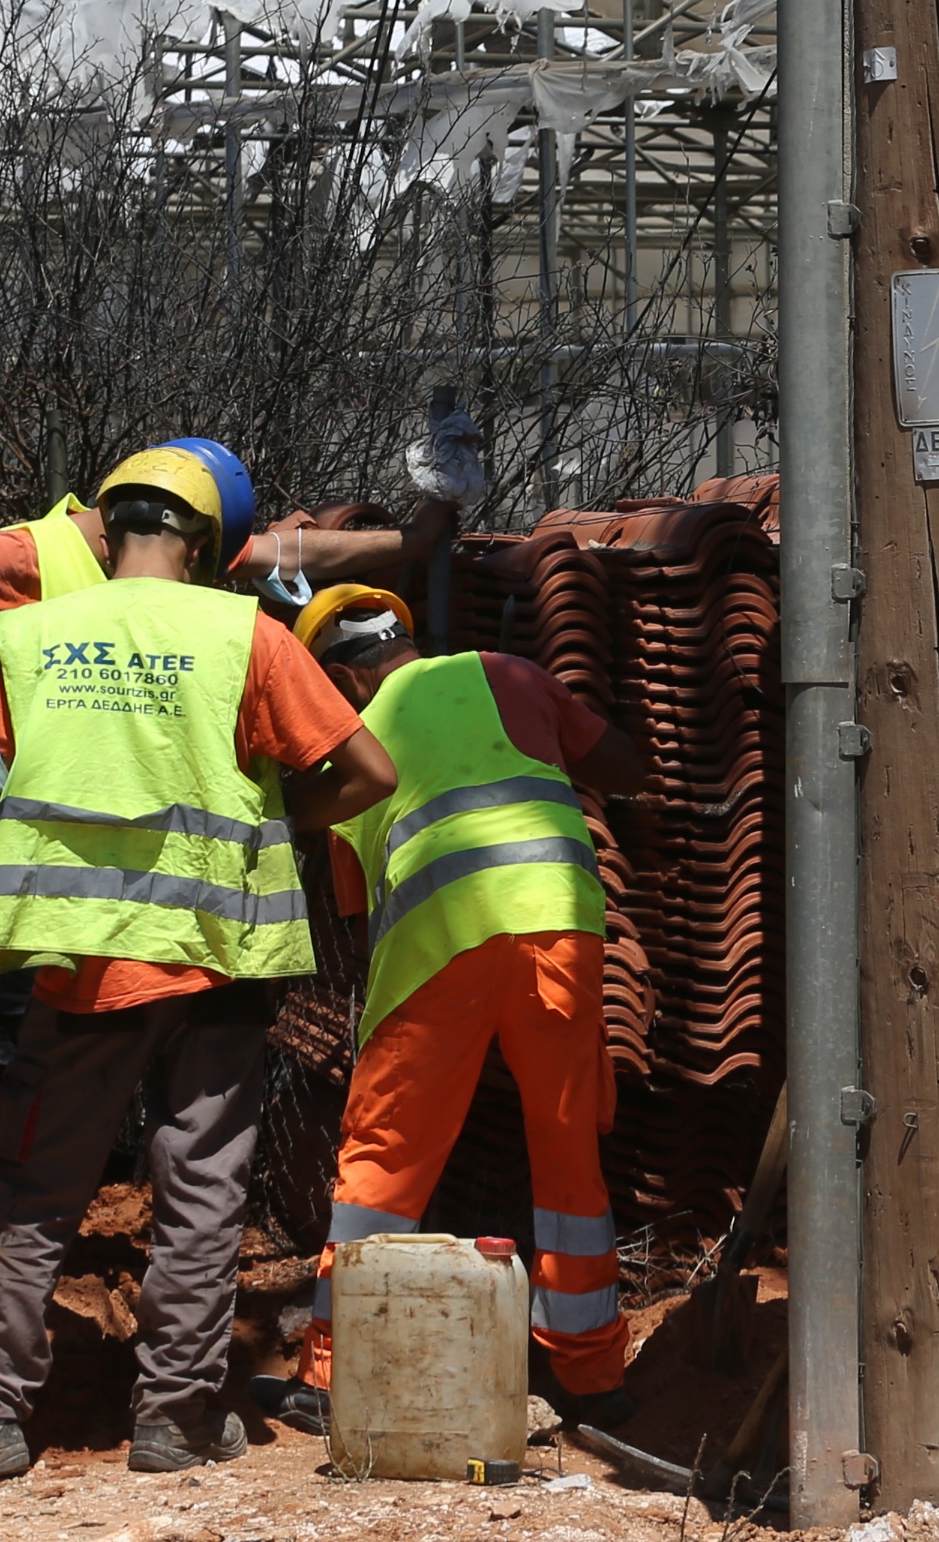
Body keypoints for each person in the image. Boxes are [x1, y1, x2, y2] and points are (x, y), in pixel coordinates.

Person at [0, 447, 400, 1484]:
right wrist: (285, 818)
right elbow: (366, 770)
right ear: (203, 546)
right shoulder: (250, 637)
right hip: (226, 958)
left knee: (35, 1187)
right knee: (202, 1187)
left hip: (88, 966)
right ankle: (178, 1418)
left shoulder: (29, 638)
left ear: (106, 528)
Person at [268, 582, 652, 1430]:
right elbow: (625, 763)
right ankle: (591, 1377)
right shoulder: (509, 673)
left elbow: (359, 913)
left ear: (346, 679)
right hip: (560, 922)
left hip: (439, 944)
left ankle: (331, 1374)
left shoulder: (348, 745)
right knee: (567, 1150)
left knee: (386, 1153)